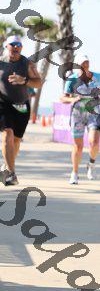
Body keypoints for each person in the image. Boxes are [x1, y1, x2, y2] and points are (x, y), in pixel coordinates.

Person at [0, 35, 42, 185]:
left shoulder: (27, 63)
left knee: (16, 140)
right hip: (3, 103)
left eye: (18, 45)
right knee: (7, 133)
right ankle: (11, 173)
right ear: (6, 46)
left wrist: (24, 80)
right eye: (13, 44)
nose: (16, 47)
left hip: (21, 105)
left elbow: (38, 83)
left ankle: (7, 164)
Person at [60, 54, 100, 185]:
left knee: (94, 142)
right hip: (78, 114)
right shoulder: (72, 79)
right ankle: (74, 173)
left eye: (87, 62)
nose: (85, 65)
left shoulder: (98, 76)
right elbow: (63, 98)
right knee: (78, 146)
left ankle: (91, 164)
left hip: (93, 112)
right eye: (82, 63)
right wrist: (73, 99)